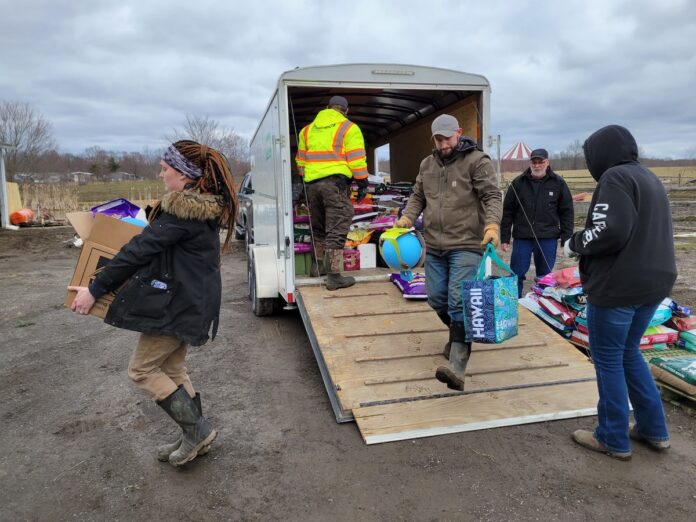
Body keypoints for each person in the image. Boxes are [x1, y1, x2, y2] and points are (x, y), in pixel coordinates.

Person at [68, 140, 238, 467]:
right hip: (191, 304)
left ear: (185, 176)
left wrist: (94, 288)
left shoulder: (181, 215)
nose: (160, 175)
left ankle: (197, 430)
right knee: (173, 368)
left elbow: (137, 252)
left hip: (180, 307)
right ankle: (193, 434)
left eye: (165, 169)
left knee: (141, 370)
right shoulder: (195, 212)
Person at [565, 125, 676, 460]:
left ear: (601, 154)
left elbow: (609, 230)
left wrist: (576, 243)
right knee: (629, 353)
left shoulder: (614, 178)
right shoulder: (649, 178)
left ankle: (612, 437)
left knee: (608, 359)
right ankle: (653, 429)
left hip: (619, 286)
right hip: (655, 283)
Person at [395, 114, 502, 391]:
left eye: (448, 138)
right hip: (435, 245)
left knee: (457, 301)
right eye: (439, 139)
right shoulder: (427, 165)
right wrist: (408, 217)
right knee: (437, 298)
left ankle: (457, 365)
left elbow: (492, 195)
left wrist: (492, 224)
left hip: (467, 244)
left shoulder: (477, 161)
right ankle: (459, 334)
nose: (443, 144)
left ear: (458, 132)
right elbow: (418, 195)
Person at [295, 95, 370, 290]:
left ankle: (317, 267)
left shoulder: (306, 130)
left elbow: (300, 162)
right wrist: (362, 183)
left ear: (327, 108)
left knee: (318, 228)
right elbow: (356, 159)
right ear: (346, 110)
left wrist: (305, 186)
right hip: (335, 185)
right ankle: (334, 276)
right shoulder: (349, 128)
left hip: (311, 185)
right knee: (337, 227)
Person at [500, 148, 574, 297]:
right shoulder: (518, 183)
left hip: (548, 238)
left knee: (545, 277)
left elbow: (566, 212)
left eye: (541, 162)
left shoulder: (558, 183)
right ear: (530, 163)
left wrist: (566, 238)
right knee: (516, 274)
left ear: (547, 162)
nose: (537, 165)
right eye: (534, 162)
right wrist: (505, 237)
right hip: (522, 238)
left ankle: (542, 306)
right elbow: (508, 212)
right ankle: (514, 305)